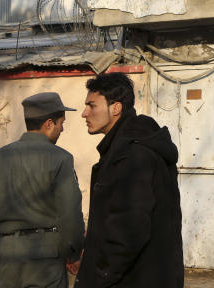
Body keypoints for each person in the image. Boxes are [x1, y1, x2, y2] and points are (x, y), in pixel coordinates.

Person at [74, 73, 183, 288]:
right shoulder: (126, 148)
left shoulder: (132, 154)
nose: (84, 113)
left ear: (116, 108)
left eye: (92, 106)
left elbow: (129, 229)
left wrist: (101, 276)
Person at [0, 92, 85, 288]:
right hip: (46, 257)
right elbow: (70, 214)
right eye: (61, 123)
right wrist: (72, 253)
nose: (62, 129)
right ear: (49, 123)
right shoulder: (61, 159)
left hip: (8, 256)